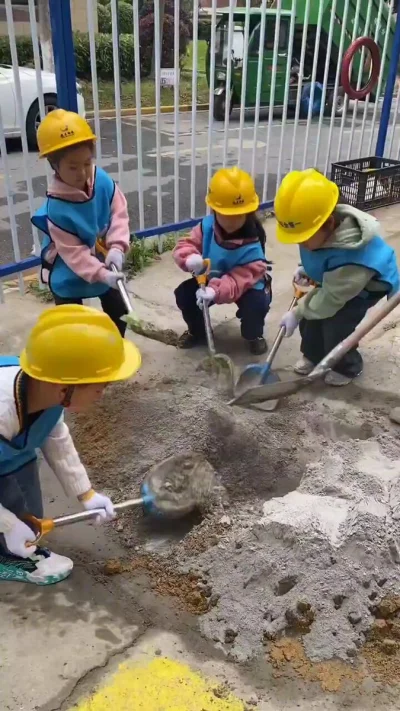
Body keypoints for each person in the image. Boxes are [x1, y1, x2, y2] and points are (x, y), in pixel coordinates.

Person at [0, 305, 141, 585]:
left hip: (12, 452)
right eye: (101, 387)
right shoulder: (2, 408)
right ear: (63, 387)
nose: (102, 394)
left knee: (29, 518)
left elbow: (57, 439)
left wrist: (86, 494)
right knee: (12, 526)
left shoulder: (47, 395)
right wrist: (6, 524)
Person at [275, 169, 399, 386]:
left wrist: (297, 312)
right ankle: (313, 355)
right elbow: (321, 254)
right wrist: (308, 268)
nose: (300, 244)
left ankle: (347, 366)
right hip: (337, 278)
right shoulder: (317, 228)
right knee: (312, 319)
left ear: (330, 224)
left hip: (365, 286)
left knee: (336, 325)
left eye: (303, 239)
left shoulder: (352, 258)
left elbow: (331, 299)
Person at [31, 109, 130, 337]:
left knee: (120, 310)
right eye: (72, 167)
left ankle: (115, 347)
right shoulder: (56, 208)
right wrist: (101, 274)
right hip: (68, 264)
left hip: (98, 255)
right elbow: (74, 253)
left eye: (87, 162)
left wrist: (117, 247)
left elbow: (119, 212)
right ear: (55, 166)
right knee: (70, 324)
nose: (82, 173)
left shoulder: (101, 180)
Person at [173, 167, 271, 355]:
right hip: (211, 277)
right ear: (214, 209)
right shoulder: (207, 227)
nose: (232, 220)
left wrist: (216, 291)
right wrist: (190, 258)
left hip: (246, 285)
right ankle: (199, 331)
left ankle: (254, 335)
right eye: (227, 214)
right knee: (185, 295)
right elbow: (185, 244)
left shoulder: (254, 243)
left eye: (239, 215)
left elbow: (241, 278)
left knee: (257, 306)